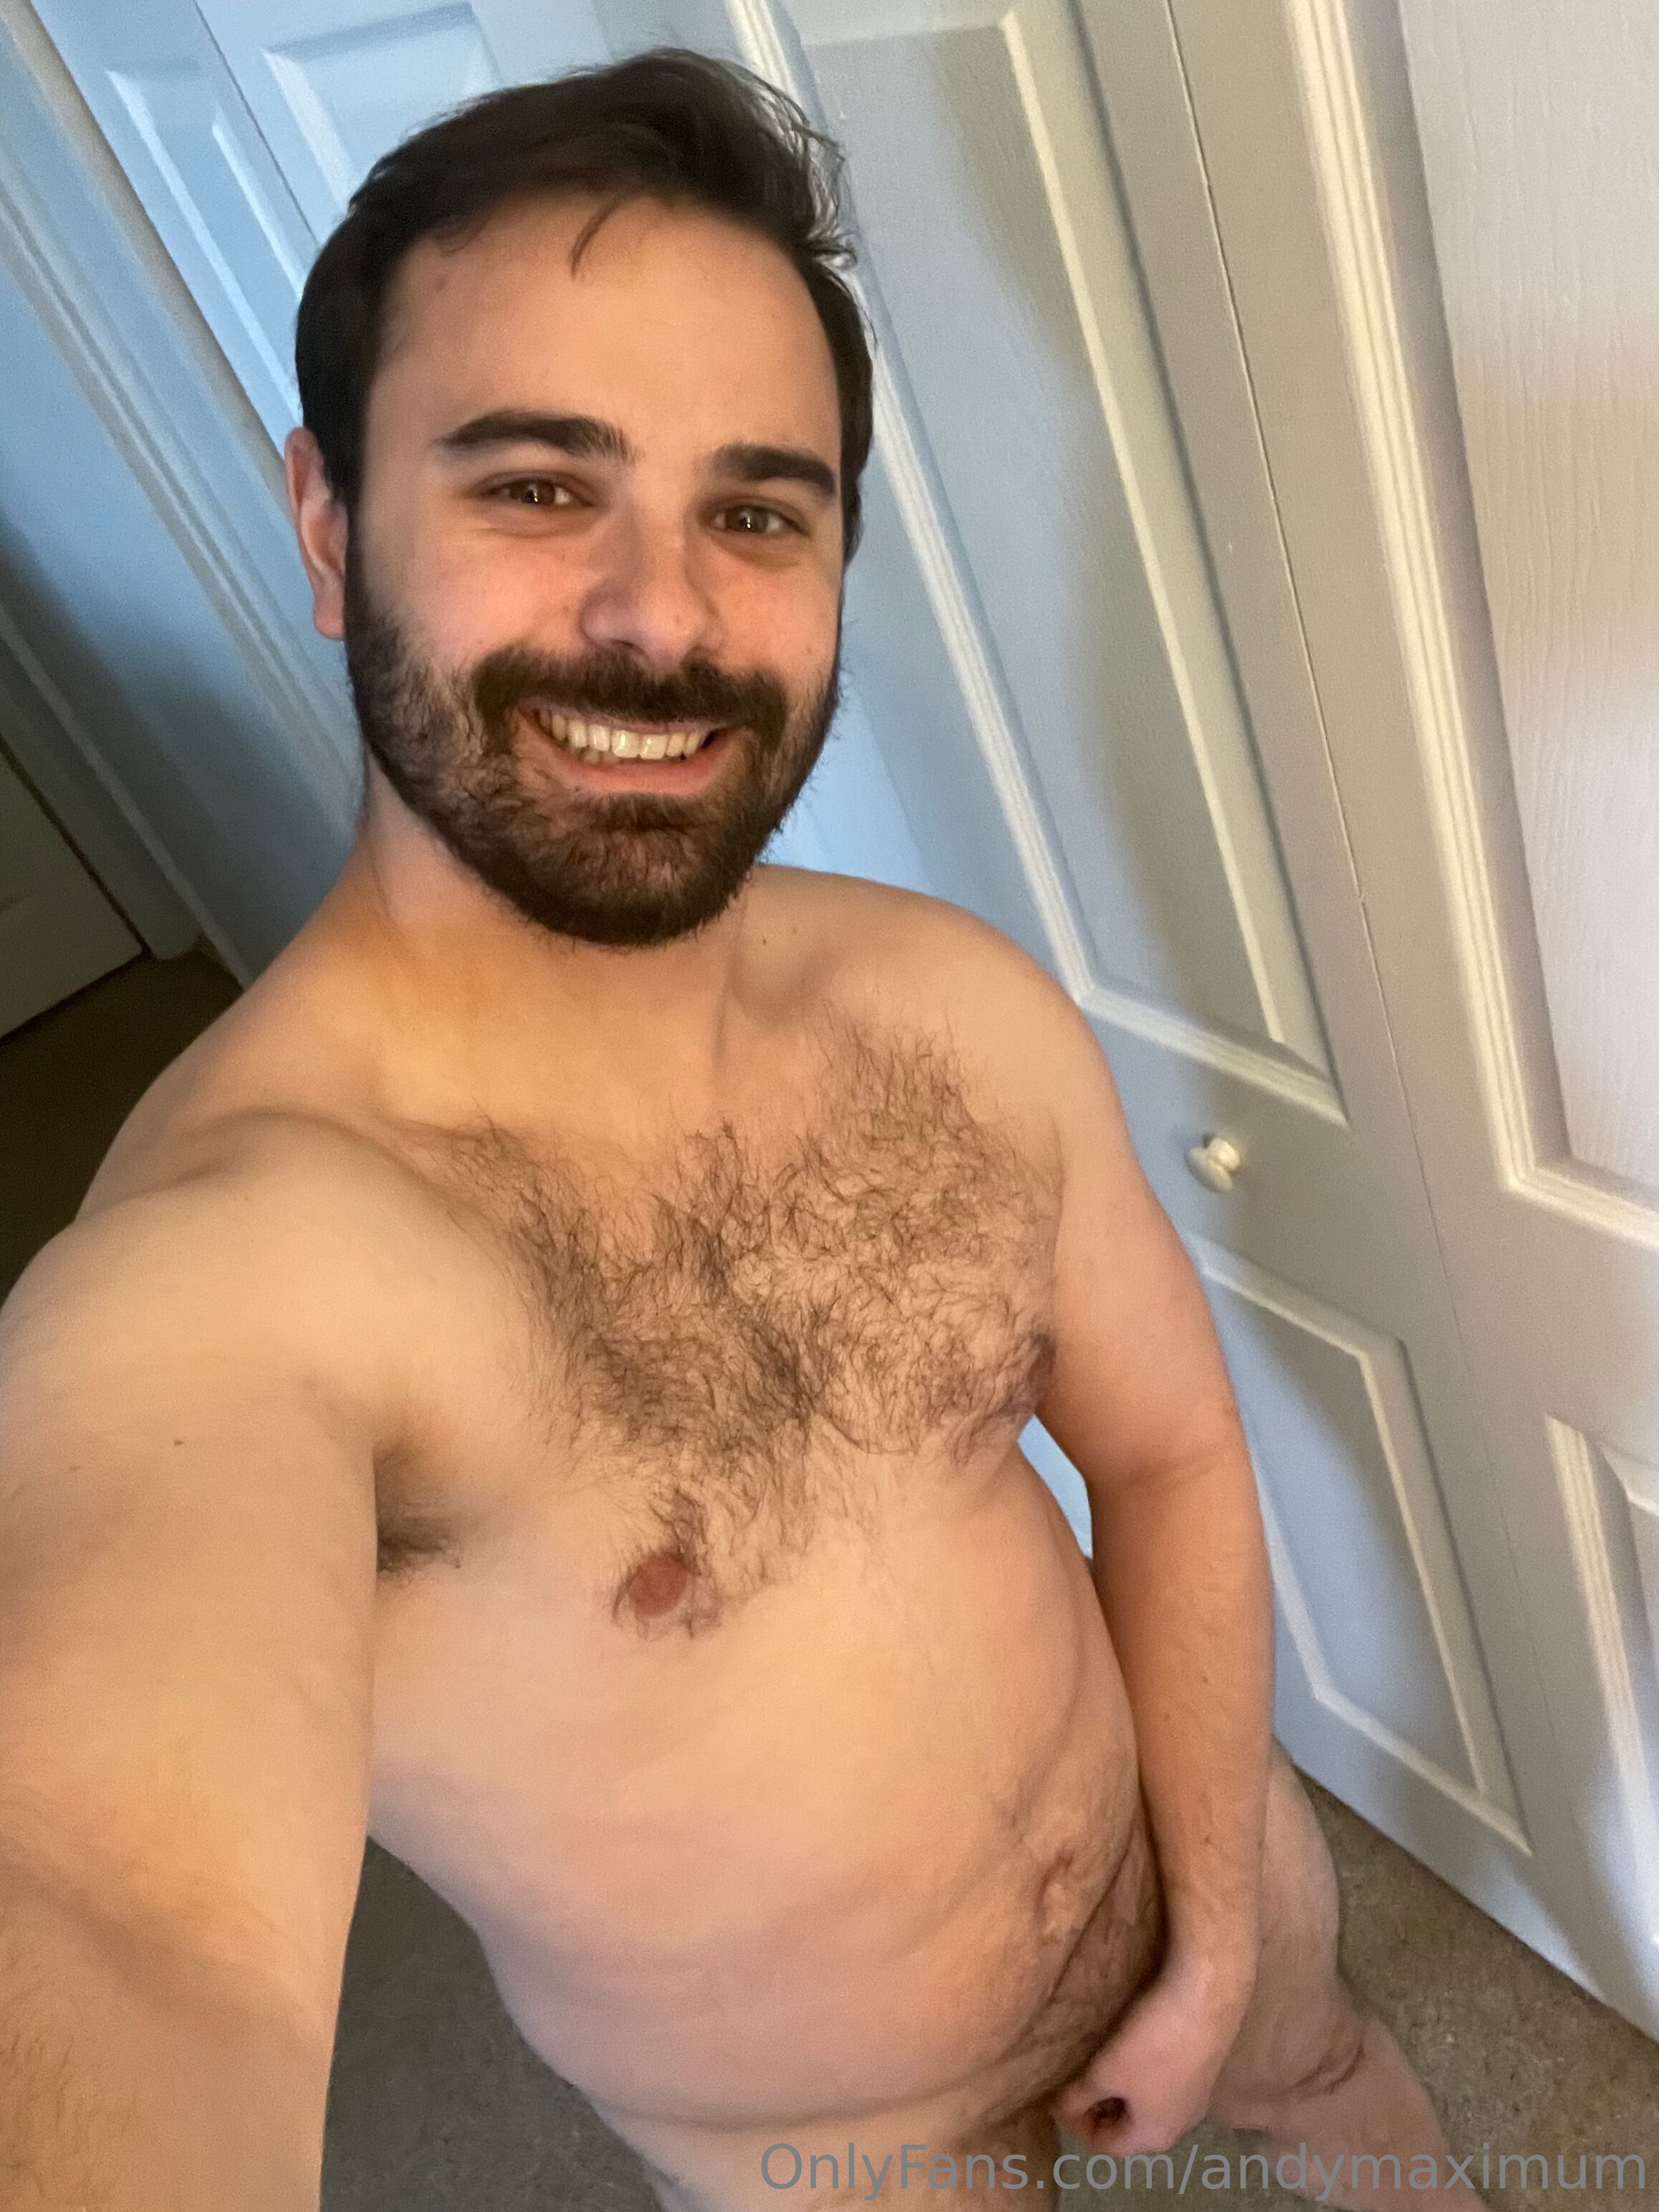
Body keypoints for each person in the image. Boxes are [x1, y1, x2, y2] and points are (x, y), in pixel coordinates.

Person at [0, 49, 1484, 2212]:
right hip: (841, 2154)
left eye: (757, 511)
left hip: (1210, 1885)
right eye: (536, 486)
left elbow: (1167, 1456)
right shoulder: (231, 1281)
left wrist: (1231, 1942)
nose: (663, 614)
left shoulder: (950, 1006)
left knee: (1347, 2089)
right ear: (329, 525)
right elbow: (120, 1920)